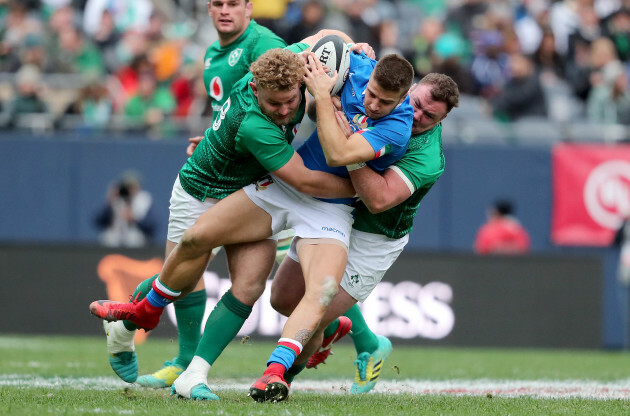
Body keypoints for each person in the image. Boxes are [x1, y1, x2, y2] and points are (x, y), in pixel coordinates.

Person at [90, 45, 415, 404]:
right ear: (256, 89)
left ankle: (239, 371)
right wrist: (357, 187)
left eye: (384, 102)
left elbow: (338, 145)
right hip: (255, 184)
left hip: (322, 206)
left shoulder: (396, 125)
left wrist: (334, 68)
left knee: (303, 290)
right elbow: (303, 179)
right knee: (196, 243)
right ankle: (144, 318)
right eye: (370, 95)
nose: (372, 105)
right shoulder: (255, 123)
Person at [270, 72, 459, 395]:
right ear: (409, 91)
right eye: (415, 105)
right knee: (282, 299)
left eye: (430, 116)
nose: (418, 116)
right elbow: (321, 109)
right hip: (334, 212)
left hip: (374, 236)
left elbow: (378, 200)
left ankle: (277, 381)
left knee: (309, 319)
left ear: (443, 120)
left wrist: (350, 148)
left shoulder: (427, 156)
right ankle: (363, 338)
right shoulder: (383, 96)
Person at [132, 0, 287, 390]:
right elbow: (233, 113)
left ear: (250, 9)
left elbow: (287, 77)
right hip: (217, 173)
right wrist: (215, 137)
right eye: (217, 3)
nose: (224, 10)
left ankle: (362, 340)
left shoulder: (260, 43)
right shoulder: (211, 55)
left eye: (234, 3)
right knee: (184, 269)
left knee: (289, 272)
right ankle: (186, 362)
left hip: (253, 181)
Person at [94, 172, 157, 247]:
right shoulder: (116, 199)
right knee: (107, 238)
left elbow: (151, 226)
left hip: (137, 241)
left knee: (134, 239)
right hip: (115, 239)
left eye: (132, 187)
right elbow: (99, 221)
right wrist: (109, 204)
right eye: (127, 187)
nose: (130, 190)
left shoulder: (144, 200)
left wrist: (134, 219)